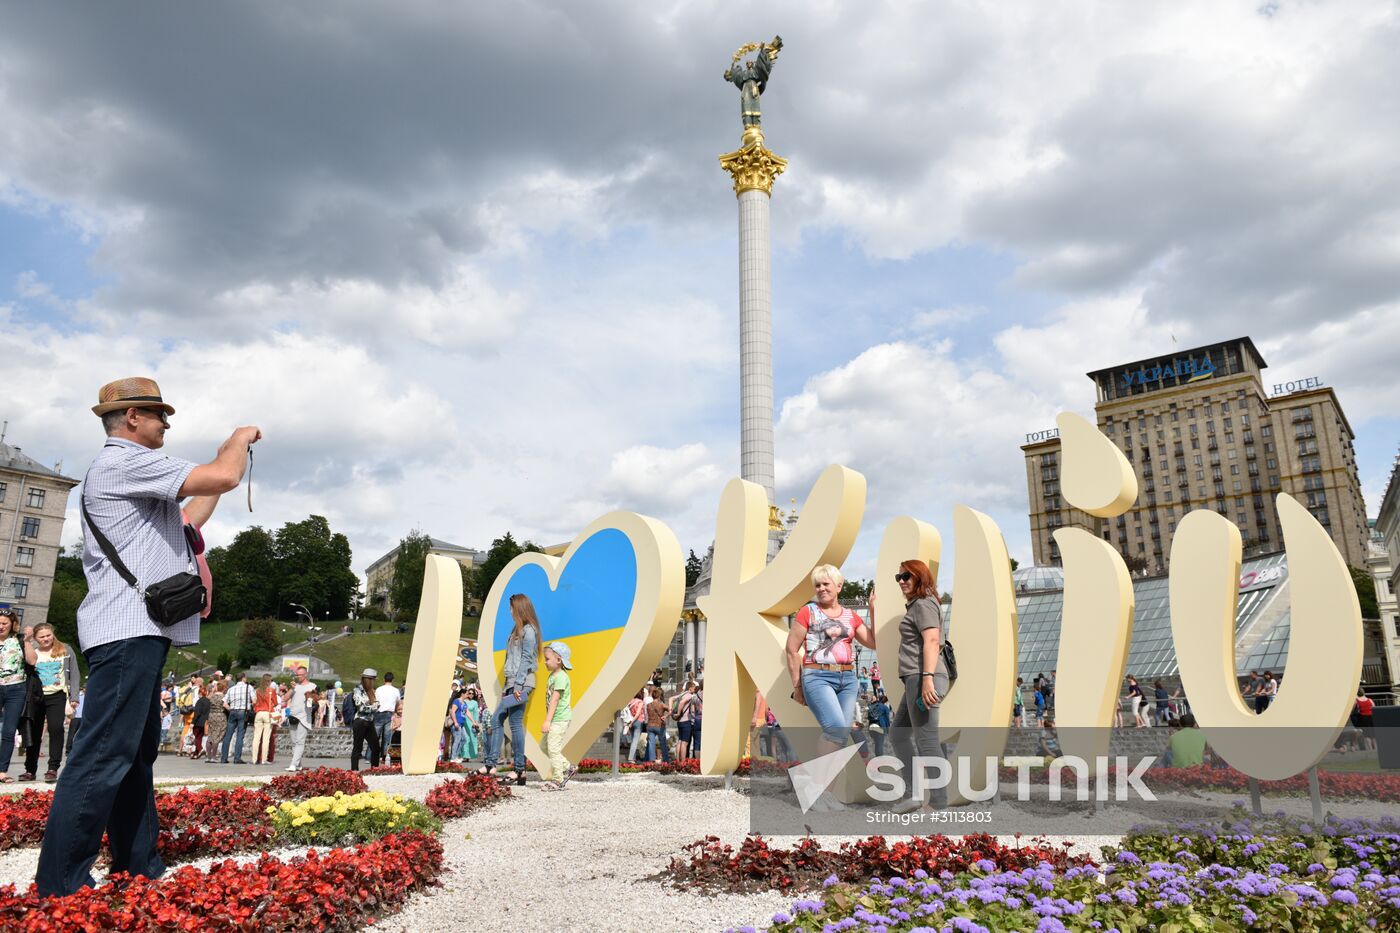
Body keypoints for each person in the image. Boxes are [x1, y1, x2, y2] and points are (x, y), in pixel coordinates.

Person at [36, 377, 259, 897]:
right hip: (125, 631)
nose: (167, 424)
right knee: (103, 754)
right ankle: (61, 884)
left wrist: (216, 472)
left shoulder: (130, 477)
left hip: (133, 631)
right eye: (160, 415)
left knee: (132, 754)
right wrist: (238, 438)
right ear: (132, 417)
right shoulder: (123, 460)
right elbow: (225, 476)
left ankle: (139, 864)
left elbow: (194, 511)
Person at [786, 564, 875, 785]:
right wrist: (797, 686)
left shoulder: (851, 615)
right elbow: (791, 649)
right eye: (817, 585)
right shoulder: (808, 611)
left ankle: (826, 791)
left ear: (839, 586)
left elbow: (873, 642)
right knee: (835, 729)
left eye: (826, 584)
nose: (821, 588)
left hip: (847, 679)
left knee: (841, 736)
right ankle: (817, 790)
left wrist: (872, 609)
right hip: (818, 676)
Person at [887, 559, 950, 814]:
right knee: (898, 735)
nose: (901, 581)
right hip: (915, 679)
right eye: (898, 577)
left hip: (923, 677)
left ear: (920, 577)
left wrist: (926, 679)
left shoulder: (923, 604)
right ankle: (913, 795)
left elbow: (932, 641)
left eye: (907, 576)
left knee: (927, 739)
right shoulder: (918, 605)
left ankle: (938, 803)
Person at [478, 594, 540, 786]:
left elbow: (527, 660)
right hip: (511, 683)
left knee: (513, 723)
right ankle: (493, 765)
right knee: (500, 721)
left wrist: (518, 687)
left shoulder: (529, 631)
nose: (510, 611)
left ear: (520, 608)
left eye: (512, 607)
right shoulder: (517, 630)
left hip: (520, 683)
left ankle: (518, 769)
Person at [20, 623, 82, 782]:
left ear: (53, 634)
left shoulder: (65, 650)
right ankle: (30, 770)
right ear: (36, 638)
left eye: (48, 635)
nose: (46, 639)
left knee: (56, 729)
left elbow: (74, 673)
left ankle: (53, 767)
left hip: (57, 695)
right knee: (34, 733)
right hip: (37, 697)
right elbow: (28, 667)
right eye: (41, 637)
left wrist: (74, 696)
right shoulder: (34, 653)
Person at [539, 641, 575, 790]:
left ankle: (557, 780)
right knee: (544, 746)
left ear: (558, 660)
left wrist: (547, 721)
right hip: (555, 718)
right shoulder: (553, 676)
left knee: (553, 749)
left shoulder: (561, 677)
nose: (545, 662)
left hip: (559, 718)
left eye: (547, 659)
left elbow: (554, 699)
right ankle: (568, 767)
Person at [281, 665, 316, 772]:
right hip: (293, 716)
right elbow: (284, 699)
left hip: (304, 717)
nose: (298, 677)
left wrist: (311, 698)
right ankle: (299, 764)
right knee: (294, 742)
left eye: (300, 675)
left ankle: (293, 764)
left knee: (300, 741)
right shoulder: (295, 686)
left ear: (305, 675)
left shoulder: (312, 686)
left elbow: (313, 702)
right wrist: (292, 688)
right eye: (297, 675)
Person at [350, 669, 381, 771]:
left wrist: (373, 706)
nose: (373, 682)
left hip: (370, 721)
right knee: (357, 748)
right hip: (360, 722)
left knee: (376, 747)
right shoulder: (358, 690)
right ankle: (354, 771)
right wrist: (374, 707)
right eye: (372, 680)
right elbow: (361, 708)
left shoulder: (372, 691)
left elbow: (376, 705)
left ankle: (374, 769)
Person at [220, 673, 254, 764]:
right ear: (243, 678)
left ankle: (224, 757)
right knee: (240, 735)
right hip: (243, 712)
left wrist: (230, 709)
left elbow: (224, 703)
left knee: (228, 735)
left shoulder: (231, 689)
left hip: (233, 712)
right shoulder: (248, 687)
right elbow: (254, 700)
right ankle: (237, 758)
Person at [251, 674, 278, 764]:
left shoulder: (258, 690)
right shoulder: (271, 690)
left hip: (258, 713)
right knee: (266, 738)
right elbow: (275, 702)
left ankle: (254, 759)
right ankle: (264, 759)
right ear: (269, 681)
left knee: (256, 738)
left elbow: (256, 701)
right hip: (267, 713)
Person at [374, 671, 401, 760]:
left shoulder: (378, 689)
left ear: (384, 679)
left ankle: (371, 756)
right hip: (390, 714)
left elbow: (375, 701)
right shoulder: (396, 690)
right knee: (387, 737)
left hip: (379, 713)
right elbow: (398, 703)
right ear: (392, 680)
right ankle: (384, 756)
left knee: (375, 736)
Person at [645, 685, 671, 763]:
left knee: (651, 744)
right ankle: (666, 760)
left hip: (650, 726)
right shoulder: (662, 704)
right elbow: (671, 710)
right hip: (660, 726)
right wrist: (666, 716)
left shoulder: (648, 705)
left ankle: (651, 761)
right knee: (663, 744)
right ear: (659, 696)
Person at [674, 680, 699, 760]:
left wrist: (675, 713)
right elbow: (681, 703)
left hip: (680, 721)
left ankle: (678, 760)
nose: (694, 690)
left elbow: (671, 699)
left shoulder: (682, 694)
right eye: (694, 688)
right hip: (686, 721)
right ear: (690, 688)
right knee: (685, 743)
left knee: (680, 741)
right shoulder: (689, 696)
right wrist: (678, 713)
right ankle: (683, 762)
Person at [189, 685, 211, 761]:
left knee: (197, 737)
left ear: (200, 693)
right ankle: (196, 753)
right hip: (205, 722)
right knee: (200, 737)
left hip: (198, 722)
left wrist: (192, 722)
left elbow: (197, 713)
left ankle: (200, 749)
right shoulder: (208, 701)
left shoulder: (199, 701)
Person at [625, 689, 647, 762]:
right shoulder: (640, 702)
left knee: (632, 741)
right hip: (638, 721)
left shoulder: (630, 701)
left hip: (631, 721)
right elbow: (637, 714)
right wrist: (632, 722)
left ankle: (633, 758)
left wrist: (630, 723)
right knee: (635, 741)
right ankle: (631, 758)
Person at [867, 692, 891, 757]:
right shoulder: (885, 707)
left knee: (877, 743)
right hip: (880, 726)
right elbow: (887, 719)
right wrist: (888, 729)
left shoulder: (872, 706)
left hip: (871, 727)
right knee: (879, 744)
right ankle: (879, 759)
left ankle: (877, 757)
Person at [65, 688, 85, 756]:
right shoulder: (75, 696)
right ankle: (68, 750)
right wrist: (68, 717)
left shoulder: (86, 696)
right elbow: (69, 706)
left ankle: (79, 749)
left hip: (83, 717)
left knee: (82, 734)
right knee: (71, 733)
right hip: (75, 716)